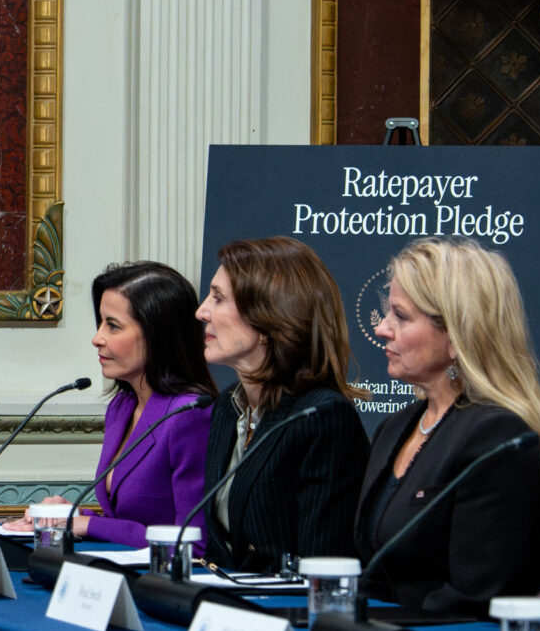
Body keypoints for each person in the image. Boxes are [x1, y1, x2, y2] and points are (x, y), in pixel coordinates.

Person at [355, 240, 540, 616]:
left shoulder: (497, 437)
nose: (383, 328)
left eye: (401, 317)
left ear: (457, 336)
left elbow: (473, 601)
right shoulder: (395, 427)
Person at [195, 236, 371, 573]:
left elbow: (323, 566)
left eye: (217, 298)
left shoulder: (320, 416)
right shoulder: (227, 407)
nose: (201, 311)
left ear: (266, 318)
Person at [43, 261, 212, 549]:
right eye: (100, 322)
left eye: (113, 326)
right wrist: (67, 517)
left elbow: (193, 545)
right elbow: (126, 520)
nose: (97, 338)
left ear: (158, 335)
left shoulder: (191, 415)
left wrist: (88, 523)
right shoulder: (122, 406)